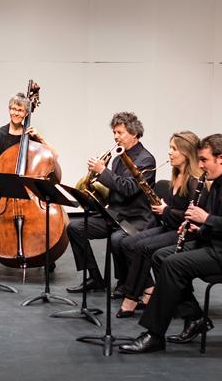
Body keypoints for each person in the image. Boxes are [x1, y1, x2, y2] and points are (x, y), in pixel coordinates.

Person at [119, 133, 222, 353]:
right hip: (221, 244)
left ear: (221, 158)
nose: (199, 165)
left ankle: (154, 334)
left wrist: (206, 219)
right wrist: (198, 228)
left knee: (173, 263)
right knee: (161, 256)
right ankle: (194, 317)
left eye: (204, 160)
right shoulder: (219, 180)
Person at [0, 92, 62, 275]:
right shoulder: (0, 135)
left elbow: (55, 156)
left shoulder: (31, 135)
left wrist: (40, 138)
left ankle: (44, 255)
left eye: (20, 110)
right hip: (5, 188)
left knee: (43, 217)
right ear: (9, 110)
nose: (16, 113)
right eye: (13, 109)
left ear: (26, 113)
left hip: (28, 188)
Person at [65, 112, 157, 294]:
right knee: (75, 227)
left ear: (134, 133)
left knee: (117, 239)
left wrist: (103, 171)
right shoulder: (117, 159)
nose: (115, 137)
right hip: (115, 215)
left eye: (120, 132)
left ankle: (126, 283)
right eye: (114, 132)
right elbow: (112, 191)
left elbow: (129, 188)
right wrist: (95, 182)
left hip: (136, 218)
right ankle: (94, 277)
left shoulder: (146, 159)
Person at [116, 131, 205, 318]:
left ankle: (131, 298)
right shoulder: (176, 175)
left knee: (143, 246)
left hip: (186, 232)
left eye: (174, 149)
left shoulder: (194, 180)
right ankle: (148, 290)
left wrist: (165, 211)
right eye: (170, 148)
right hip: (170, 225)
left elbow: (192, 217)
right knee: (128, 242)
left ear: (187, 152)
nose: (170, 153)